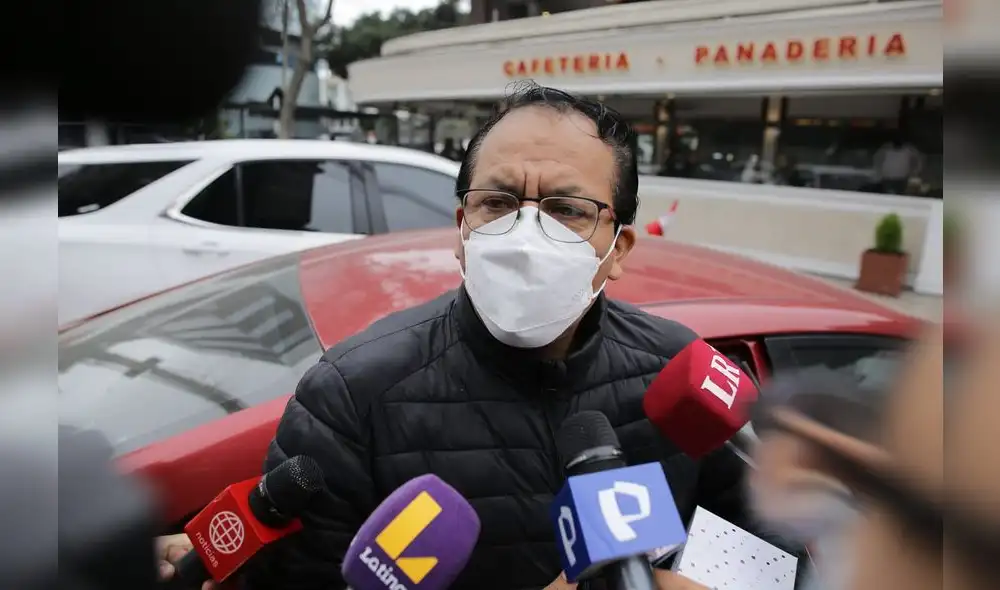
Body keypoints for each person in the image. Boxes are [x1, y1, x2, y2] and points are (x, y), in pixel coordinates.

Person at [243, 83, 759, 590]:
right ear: (463, 228)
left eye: (567, 210)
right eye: (498, 202)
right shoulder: (349, 397)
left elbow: (767, 546)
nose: (524, 236)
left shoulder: (682, 373)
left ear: (619, 248)